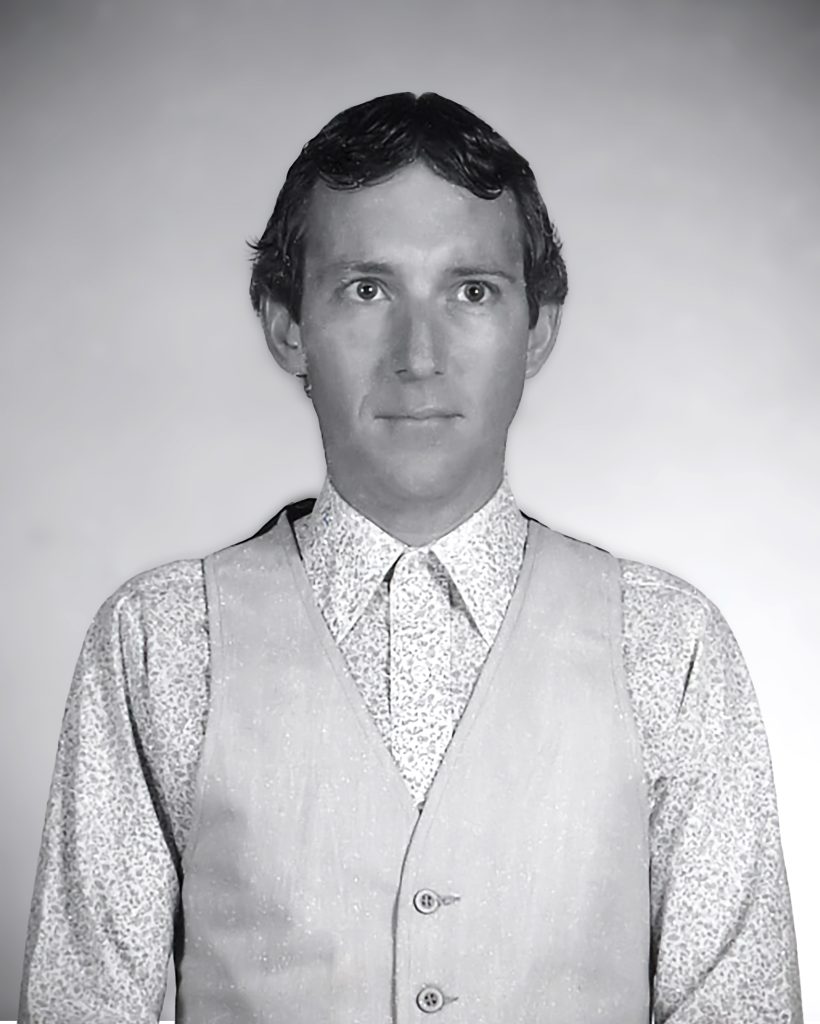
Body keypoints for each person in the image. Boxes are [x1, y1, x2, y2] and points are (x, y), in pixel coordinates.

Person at [19, 92, 802, 1023]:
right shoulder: (157, 643)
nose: (419, 356)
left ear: (538, 327)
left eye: (472, 291)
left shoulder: (670, 648)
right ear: (286, 324)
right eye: (367, 289)